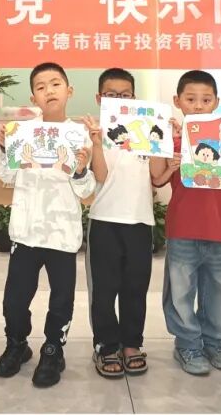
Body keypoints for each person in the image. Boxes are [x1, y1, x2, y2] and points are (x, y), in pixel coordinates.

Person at [0, 62, 94, 388]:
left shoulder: (80, 135)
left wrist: (81, 169)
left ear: (69, 91)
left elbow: (86, 190)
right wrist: (5, 148)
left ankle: (53, 349)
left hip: (62, 233)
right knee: (14, 300)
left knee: (61, 299)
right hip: (26, 232)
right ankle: (17, 344)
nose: (49, 91)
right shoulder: (23, 132)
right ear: (33, 96)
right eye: (40, 86)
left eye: (55, 84)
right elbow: (7, 176)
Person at [149, 70, 221, 376]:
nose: (199, 106)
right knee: (180, 292)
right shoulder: (174, 141)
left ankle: (215, 341)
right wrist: (165, 149)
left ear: (217, 102)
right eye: (191, 99)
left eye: (206, 100)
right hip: (183, 229)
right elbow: (157, 178)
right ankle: (188, 344)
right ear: (178, 101)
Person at [80, 68, 155, 378]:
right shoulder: (91, 131)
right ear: (100, 98)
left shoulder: (147, 129)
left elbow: (157, 176)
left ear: (134, 98)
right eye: (111, 95)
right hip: (104, 220)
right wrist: (97, 143)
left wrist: (164, 141)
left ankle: (132, 344)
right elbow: (100, 176)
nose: (119, 100)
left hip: (140, 219)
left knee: (135, 287)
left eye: (125, 95)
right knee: (104, 289)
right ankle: (106, 345)